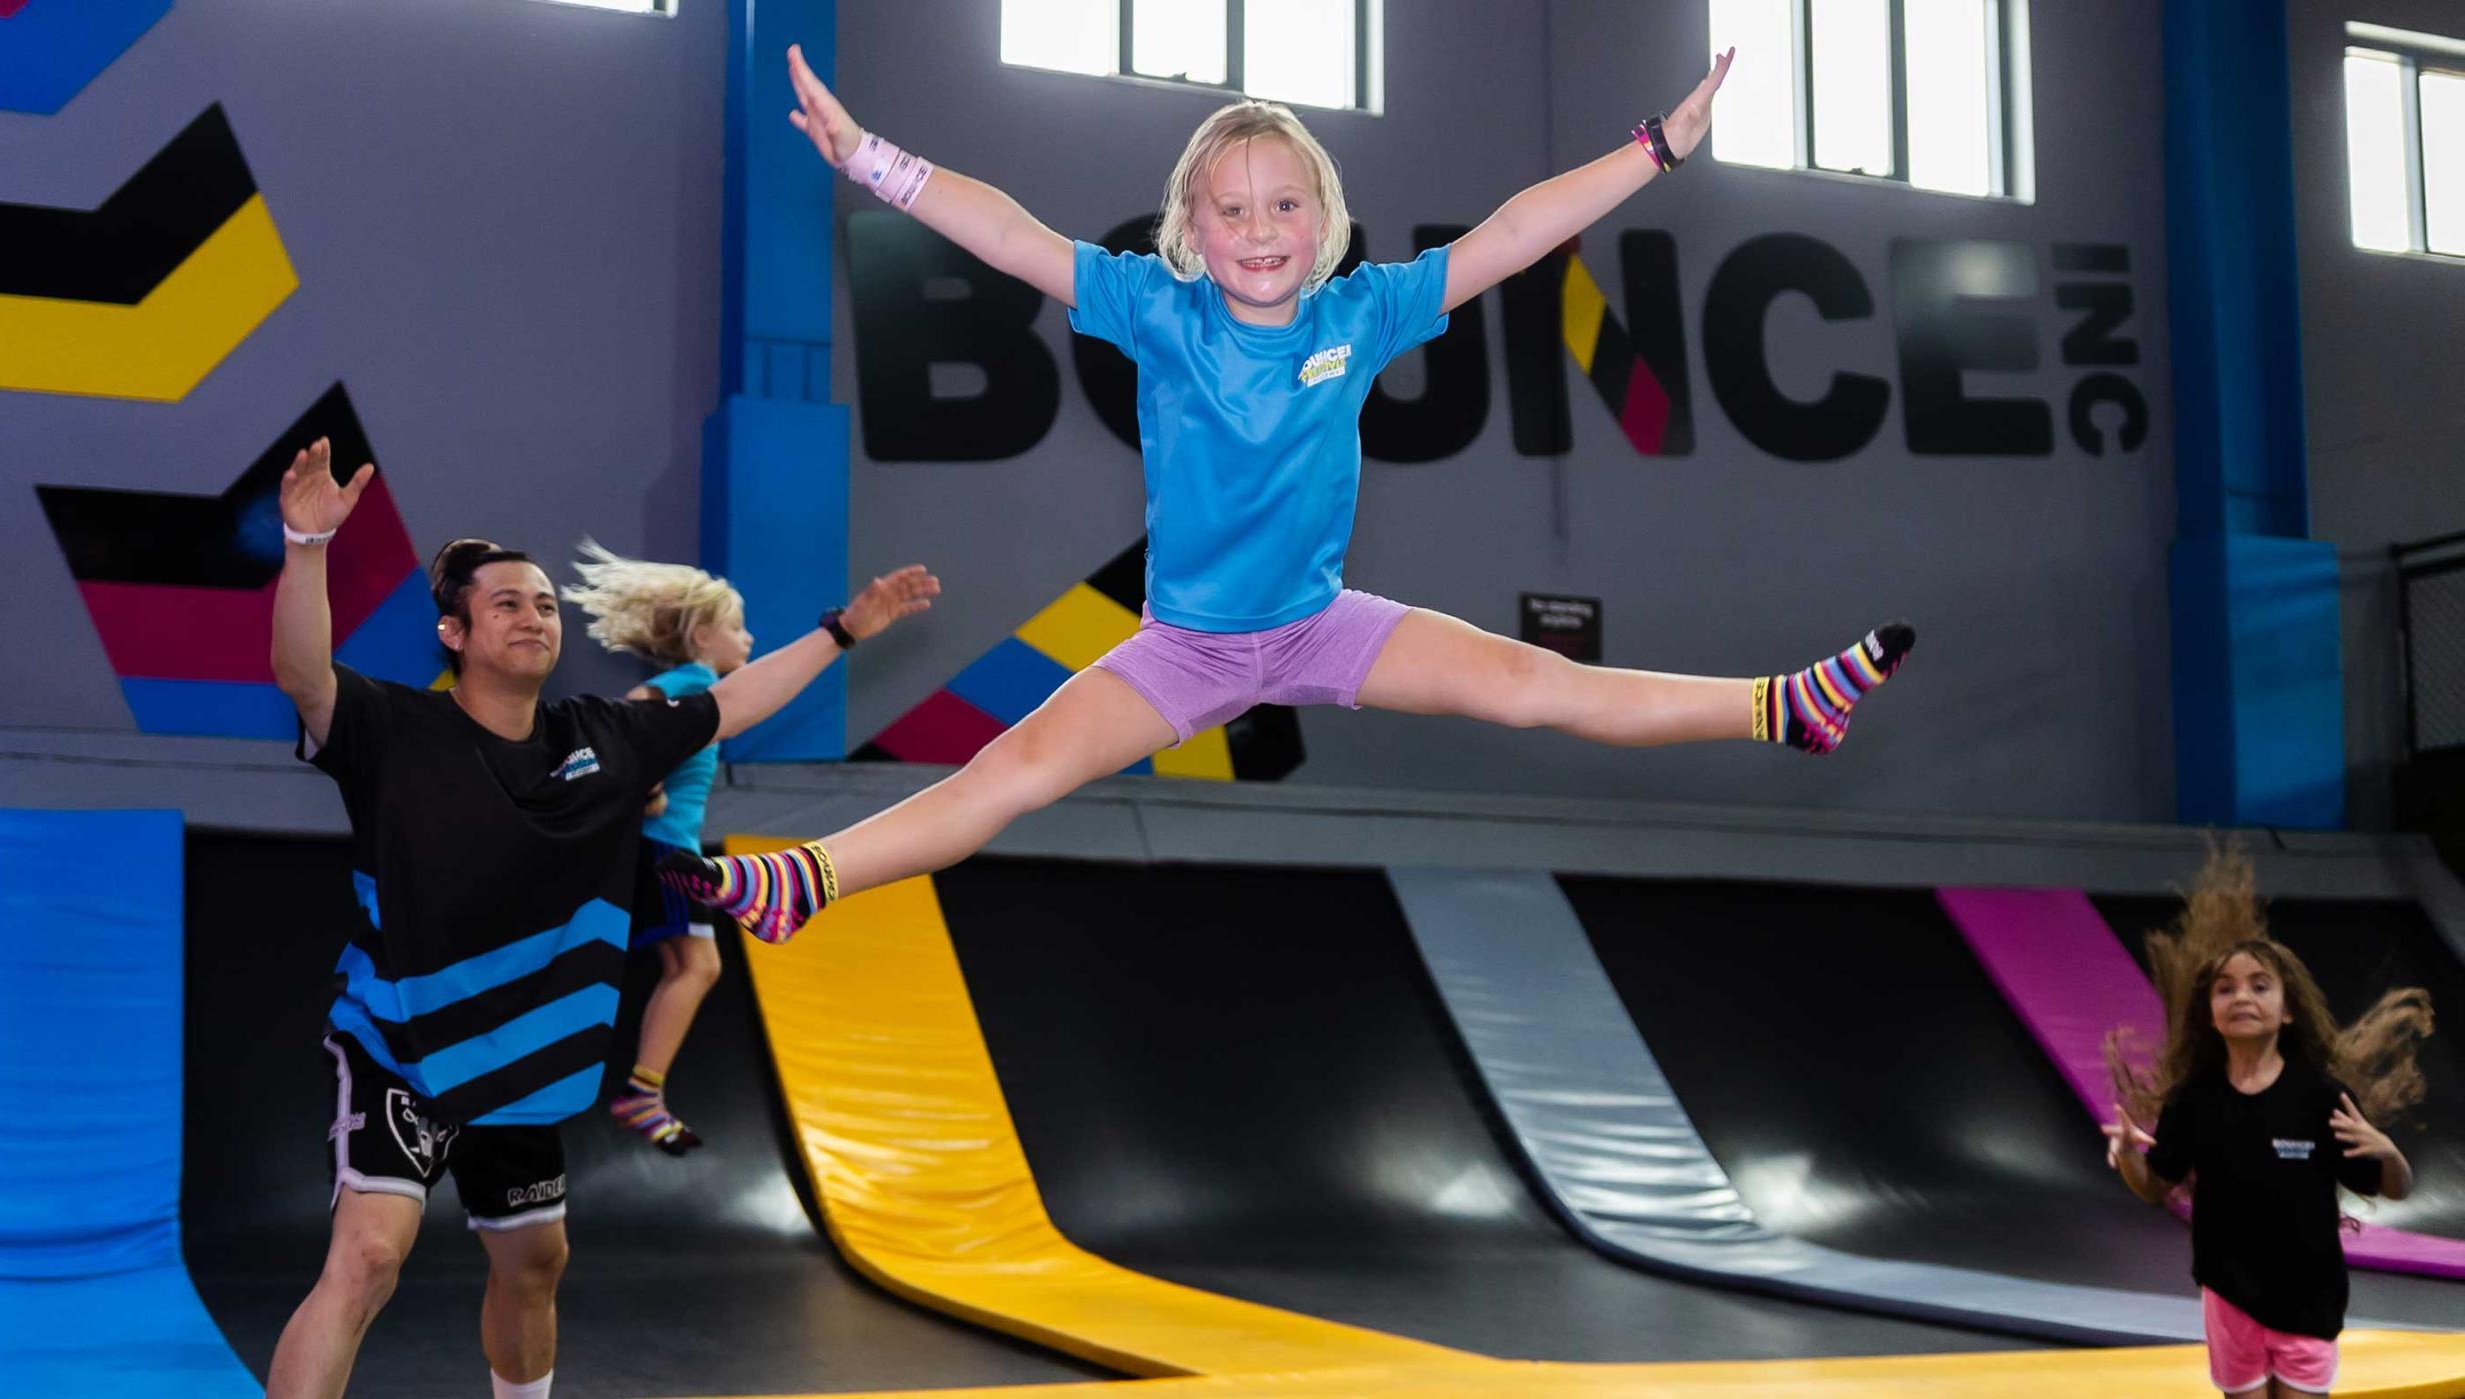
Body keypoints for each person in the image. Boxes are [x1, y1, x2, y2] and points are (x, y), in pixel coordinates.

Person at [663, 42, 1915, 945]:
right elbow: (1008, 234)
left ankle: (1779, 707)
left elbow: (1514, 235)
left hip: (1322, 625)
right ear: (1189, 228)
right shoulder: (1156, 311)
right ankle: (807, 879)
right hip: (1186, 648)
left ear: (1323, 219)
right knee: (1013, 769)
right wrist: (870, 158)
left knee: (1539, 685)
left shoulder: (1360, 313)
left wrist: (1656, 148)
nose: (1258, 229)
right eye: (1230, 210)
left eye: (1282, 205)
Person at [262, 439, 936, 1398]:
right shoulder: (394, 729)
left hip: (524, 1065)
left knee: (536, 1265)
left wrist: (845, 628)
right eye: (507, 603)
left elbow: (733, 701)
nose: (534, 616)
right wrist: (306, 545)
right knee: (369, 1258)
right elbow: (303, 676)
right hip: (401, 1047)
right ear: (454, 632)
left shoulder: (602, 738)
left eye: (545, 604)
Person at [562, 541, 934, 1153]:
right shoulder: (693, 682)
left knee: (684, 966)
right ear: (702, 637)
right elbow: (631, 717)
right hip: (663, 851)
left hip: (656, 847)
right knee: (698, 966)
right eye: (737, 628)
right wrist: (644, 784)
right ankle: (641, 1092)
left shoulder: (686, 685)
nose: (749, 638)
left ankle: (642, 1090)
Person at [2102, 852, 2430, 1398]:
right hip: (2229, 1296)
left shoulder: (2322, 1098)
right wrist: (2131, 1159)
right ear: (2211, 1013)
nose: (2242, 998)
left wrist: (2389, 1153)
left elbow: (2393, 1188)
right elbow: (2155, 1186)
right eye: (2225, 989)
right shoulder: (2195, 1099)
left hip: (2309, 1298)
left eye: (2260, 986)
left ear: (2288, 1010)